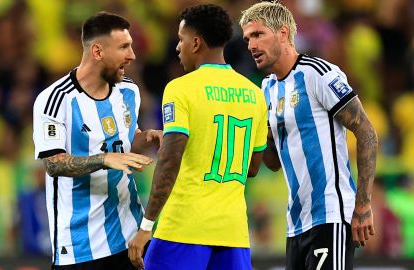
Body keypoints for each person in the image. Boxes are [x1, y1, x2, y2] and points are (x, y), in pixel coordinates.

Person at [239, 2, 378, 270]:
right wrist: (264, 133)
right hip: (296, 223)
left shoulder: (318, 74)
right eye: (247, 39)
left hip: (330, 214)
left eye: (258, 35)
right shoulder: (267, 89)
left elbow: (367, 132)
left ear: (282, 34)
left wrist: (362, 205)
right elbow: (273, 162)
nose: (251, 46)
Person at [128, 4, 268, 270]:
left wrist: (146, 227)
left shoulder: (180, 89)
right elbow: (252, 167)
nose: (177, 47)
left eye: (181, 40)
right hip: (233, 233)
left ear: (195, 42)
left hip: (183, 228)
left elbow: (169, 160)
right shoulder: (255, 94)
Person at [32, 12, 162, 270]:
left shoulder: (128, 90)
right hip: (80, 245)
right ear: (97, 52)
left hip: (130, 234)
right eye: (124, 47)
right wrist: (105, 160)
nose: (132, 55)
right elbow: (54, 164)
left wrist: (145, 138)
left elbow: (123, 140)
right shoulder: (55, 100)